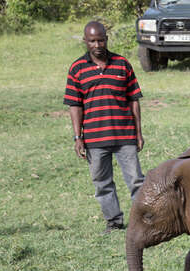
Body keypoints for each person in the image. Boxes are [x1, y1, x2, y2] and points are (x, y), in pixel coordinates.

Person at [64, 21, 145, 234]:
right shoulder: (77, 68)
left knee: (136, 180)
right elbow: (75, 105)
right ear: (85, 41)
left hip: (124, 135)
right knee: (102, 183)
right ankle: (114, 222)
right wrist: (77, 137)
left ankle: (144, 222)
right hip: (94, 139)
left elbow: (134, 100)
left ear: (106, 39)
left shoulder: (122, 64)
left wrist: (138, 133)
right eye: (92, 41)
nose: (97, 44)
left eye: (101, 39)